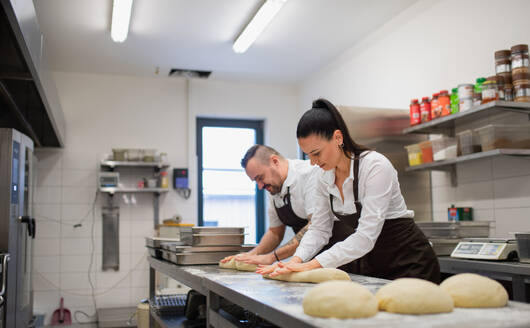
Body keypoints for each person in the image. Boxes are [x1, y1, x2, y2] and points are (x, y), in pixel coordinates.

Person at [259, 98, 440, 283]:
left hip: (412, 262)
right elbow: (319, 229)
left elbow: (365, 236)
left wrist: (310, 265)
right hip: (376, 265)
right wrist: (294, 262)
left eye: (317, 153)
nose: (312, 162)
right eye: (308, 156)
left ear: (338, 138)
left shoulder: (374, 166)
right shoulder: (323, 177)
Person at [220, 145, 318, 266]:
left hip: (337, 257)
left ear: (275, 161)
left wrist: (272, 257)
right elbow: (275, 233)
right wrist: (251, 255)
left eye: (260, 178)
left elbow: (315, 227)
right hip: (310, 260)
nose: (260, 186)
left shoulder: (309, 174)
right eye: (255, 181)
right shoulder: (274, 187)